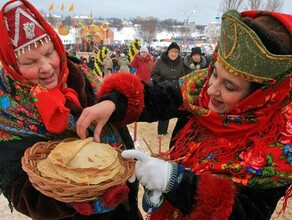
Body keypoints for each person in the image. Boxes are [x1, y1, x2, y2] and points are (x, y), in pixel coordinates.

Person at [76, 9, 292, 219]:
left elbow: (246, 213)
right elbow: (158, 97)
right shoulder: (200, 88)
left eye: (230, 87)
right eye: (214, 73)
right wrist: (114, 103)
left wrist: (175, 181)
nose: (211, 90)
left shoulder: (280, 144)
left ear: (263, 95)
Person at [0, 1, 142, 219]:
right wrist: (79, 201)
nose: (47, 67)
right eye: (30, 62)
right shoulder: (8, 112)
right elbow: (20, 192)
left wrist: (112, 102)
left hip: (125, 209)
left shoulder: (83, 77)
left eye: (49, 53)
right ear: (12, 66)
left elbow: (137, 100)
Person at [150, 42, 184, 136]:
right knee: (164, 109)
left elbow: (182, 76)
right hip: (162, 89)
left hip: (174, 89)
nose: (174, 54)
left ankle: (170, 131)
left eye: (176, 52)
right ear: (168, 52)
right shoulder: (160, 61)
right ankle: (161, 131)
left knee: (172, 109)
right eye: (172, 51)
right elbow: (153, 74)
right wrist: (161, 81)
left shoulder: (180, 63)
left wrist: (177, 83)